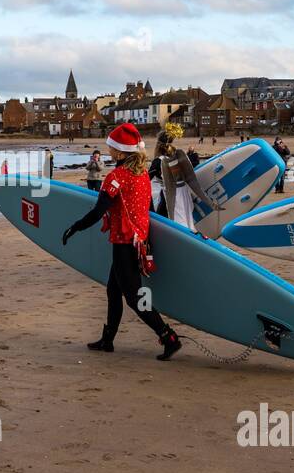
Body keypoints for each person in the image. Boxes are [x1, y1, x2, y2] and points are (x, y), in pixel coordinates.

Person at [62, 123, 182, 361]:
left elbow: (98, 212)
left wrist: (75, 227)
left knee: (135, 297)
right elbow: (148, 211)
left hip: (125, 242)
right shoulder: (142, 175)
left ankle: (169, 337)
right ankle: (108, 340)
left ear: (119, 151)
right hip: (138, 240)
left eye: (110, 146)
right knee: (113, 290)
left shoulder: (116, 177)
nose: (107, 149)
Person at [149, 123, 216, 233]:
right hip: (184, 194)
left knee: (168, 224)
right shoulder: (178, 155)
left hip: (171, 196)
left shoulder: (158, 162)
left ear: (158, 145)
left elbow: (145, 180)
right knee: (185, 224)